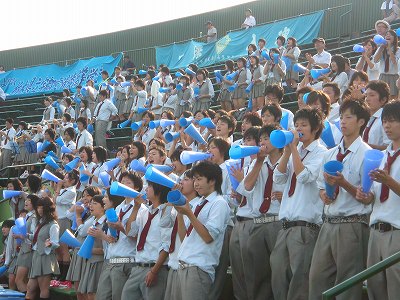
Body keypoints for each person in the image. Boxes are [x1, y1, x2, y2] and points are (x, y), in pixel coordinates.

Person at [309, 99, 371, 300]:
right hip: (328, 223)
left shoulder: (367, 154)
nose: (343, 122)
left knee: (347, 285)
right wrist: (324, 195)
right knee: (317, 279)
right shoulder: (330, 154)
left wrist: (344, 184)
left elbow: (367, 198)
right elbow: (320, 187)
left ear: (361, 122)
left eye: (349, 117)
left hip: (352, 224)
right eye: (342, 117)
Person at [271, 107, 327, 300]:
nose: (298, 129)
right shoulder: (296, 150)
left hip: (305, 226)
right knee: (278, 276)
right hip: (286, 224)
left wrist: (293, 149)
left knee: (300, 280)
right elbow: (278, 178)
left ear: (315, 128)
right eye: (296, 125)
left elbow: (303, 176)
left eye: (303, 125)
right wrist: (287, 151)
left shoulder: (321, 152)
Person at [355, 100, 400, 300]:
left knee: (396, 289)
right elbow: (373, 195)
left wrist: (389, 181)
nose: (387, 126)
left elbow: (388, 185)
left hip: (396, 232)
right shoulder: (381, 156)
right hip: (375, 229)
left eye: (392, 121)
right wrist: (365, 196)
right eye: (384, 122)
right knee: (375, 289)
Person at [175, 161, 230, 300]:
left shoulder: (219, 203)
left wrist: (189, 214)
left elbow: (208, 237)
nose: (195, 184)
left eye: (199, 179)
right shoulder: (200, 203)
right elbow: (183, 237)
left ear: (212, 181)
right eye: (194, 180)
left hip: (198, 268)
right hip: (184, 266)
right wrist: (180, 213)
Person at [121, 179, 173, 300]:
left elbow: (167, 245)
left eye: (149, 186)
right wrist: (136, 207)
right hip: (138, 267)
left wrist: (154, 271)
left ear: (159, 191)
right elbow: (130, 232)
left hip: (155, 268)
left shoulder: (167, 211)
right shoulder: (144, 212)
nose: (146, 189)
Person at [96, 173, 142, 300]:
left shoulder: (141, 209)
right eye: (122, 182)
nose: (123, 185)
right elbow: (113, 238)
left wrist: (121, 227)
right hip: (111, 261)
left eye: (128, 182)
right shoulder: (118, 208)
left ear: (137, 188)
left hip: (126, 261)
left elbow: (137, 236)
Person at [26, 197, 60, 300]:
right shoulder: (40, 222)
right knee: (30, 288)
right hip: (37, 255)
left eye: (42, 207)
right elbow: (36, 237)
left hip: (45, 258)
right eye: (38, 207)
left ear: (48, 208)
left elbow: (55, 243)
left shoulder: (53, 225)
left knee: (43, 289)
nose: (40, 210)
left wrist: (49, 244)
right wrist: (25, 235)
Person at [78, 195, 106, 300]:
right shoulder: (93, 222)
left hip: (99, 263)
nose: (91, 205)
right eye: (91, 203)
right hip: (90, 261)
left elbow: (107, 248)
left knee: (93, 294)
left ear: (103, 207)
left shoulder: (105, 224)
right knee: (87, 293)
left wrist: (89, 250)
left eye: (95, 203)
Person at [54, 170, 78, 281]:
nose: (64, 180)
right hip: (58, 219)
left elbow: (57, 200)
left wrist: (58, 188)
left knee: (63, 248)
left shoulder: (71, 192)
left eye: (66, 178)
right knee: (57, 248)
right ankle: (59, 273)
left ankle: (65, 275)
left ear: (73, 180)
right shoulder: (65, 190)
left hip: (64, 220)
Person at [14, 194, 38, 294]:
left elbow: (33, 235)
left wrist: (20, 236)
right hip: (25, 249)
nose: (26, 202)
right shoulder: (28, 215)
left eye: (29, 200)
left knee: (18, 280)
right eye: (26, 200)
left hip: (28, 250)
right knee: (25, 281)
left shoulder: (34, 217)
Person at [363, 80, 390, 150]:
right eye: (366, 96)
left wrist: (363, 146)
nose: (367, 99)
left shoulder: (386, 119)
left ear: (383, 99)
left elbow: (390, 147)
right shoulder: (366, 117)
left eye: (372, 95)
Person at [374, 29, 400, 99]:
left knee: (393, 97)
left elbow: (395, 62)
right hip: (383, 76)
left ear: (395, 38)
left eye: (390, 34)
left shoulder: (398, 50)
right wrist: (381, 48)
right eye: (386, 34)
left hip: (393, 76)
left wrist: (389, 47)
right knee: (381, 97)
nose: (388, 35)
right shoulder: (381, 49)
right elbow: (375, 60)